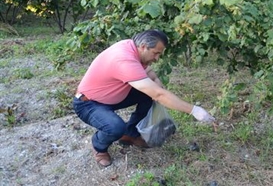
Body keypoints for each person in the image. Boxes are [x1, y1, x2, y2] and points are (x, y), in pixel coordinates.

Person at [73, 29, 215, 167]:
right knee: (115, 127)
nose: (157, 58)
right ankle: (99, 147)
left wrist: (158, 88)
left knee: (149, 94)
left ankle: (130, 134)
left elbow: (151, 76)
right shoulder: (124, 59)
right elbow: (159, 95)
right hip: (89, 103)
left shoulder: (132, 48)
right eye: (156, 53)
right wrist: (194, 110)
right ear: (143, 47)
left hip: (112, 97)